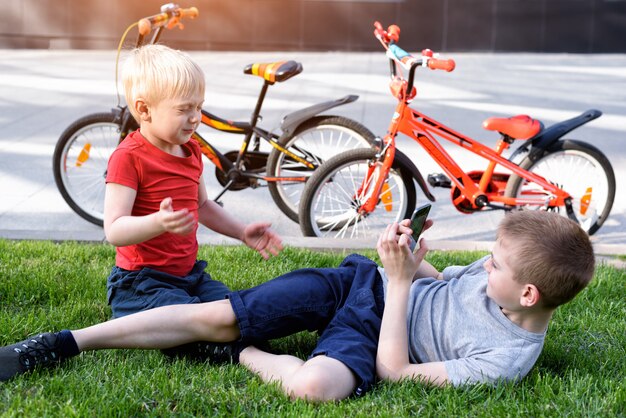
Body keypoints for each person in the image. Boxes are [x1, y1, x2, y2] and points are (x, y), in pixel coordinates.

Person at [0, 211, 595, 401]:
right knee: (220, 313)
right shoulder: (499, 281)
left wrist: (402, 285)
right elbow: (425, 277)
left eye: (494, 264)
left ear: (527, 296)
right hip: (359, 287)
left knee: (315, 386)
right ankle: (65, 341)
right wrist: (407, 258)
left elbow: (395, 372)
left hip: (381, 330)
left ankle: (240, 355)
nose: (482, 264)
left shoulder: (506, 359)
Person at [102, 44, 282, 354]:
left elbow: (202, 205)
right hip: (141, 284)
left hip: (189, 276)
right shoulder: (128, 158)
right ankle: (209, 344)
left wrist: (241, 232)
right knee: (190, 326)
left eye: (198, 107)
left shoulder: (191, 151)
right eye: (184, 109)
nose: (195, 117)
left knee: (239, 315)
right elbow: (114, 229)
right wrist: (157, 222)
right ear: (144, 110)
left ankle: (212, 332)